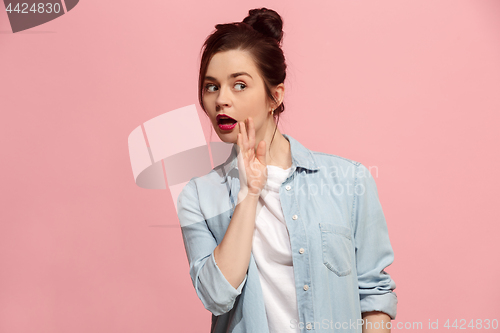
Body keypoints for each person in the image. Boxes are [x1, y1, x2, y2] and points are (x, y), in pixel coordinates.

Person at [176, 7, 397, 333]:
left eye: (239, 85)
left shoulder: (348, 181)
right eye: (211, 86)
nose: (222, 99)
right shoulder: (198, 197)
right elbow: (216, 295)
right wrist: (249, 193)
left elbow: (374, 298)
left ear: (274, 97)